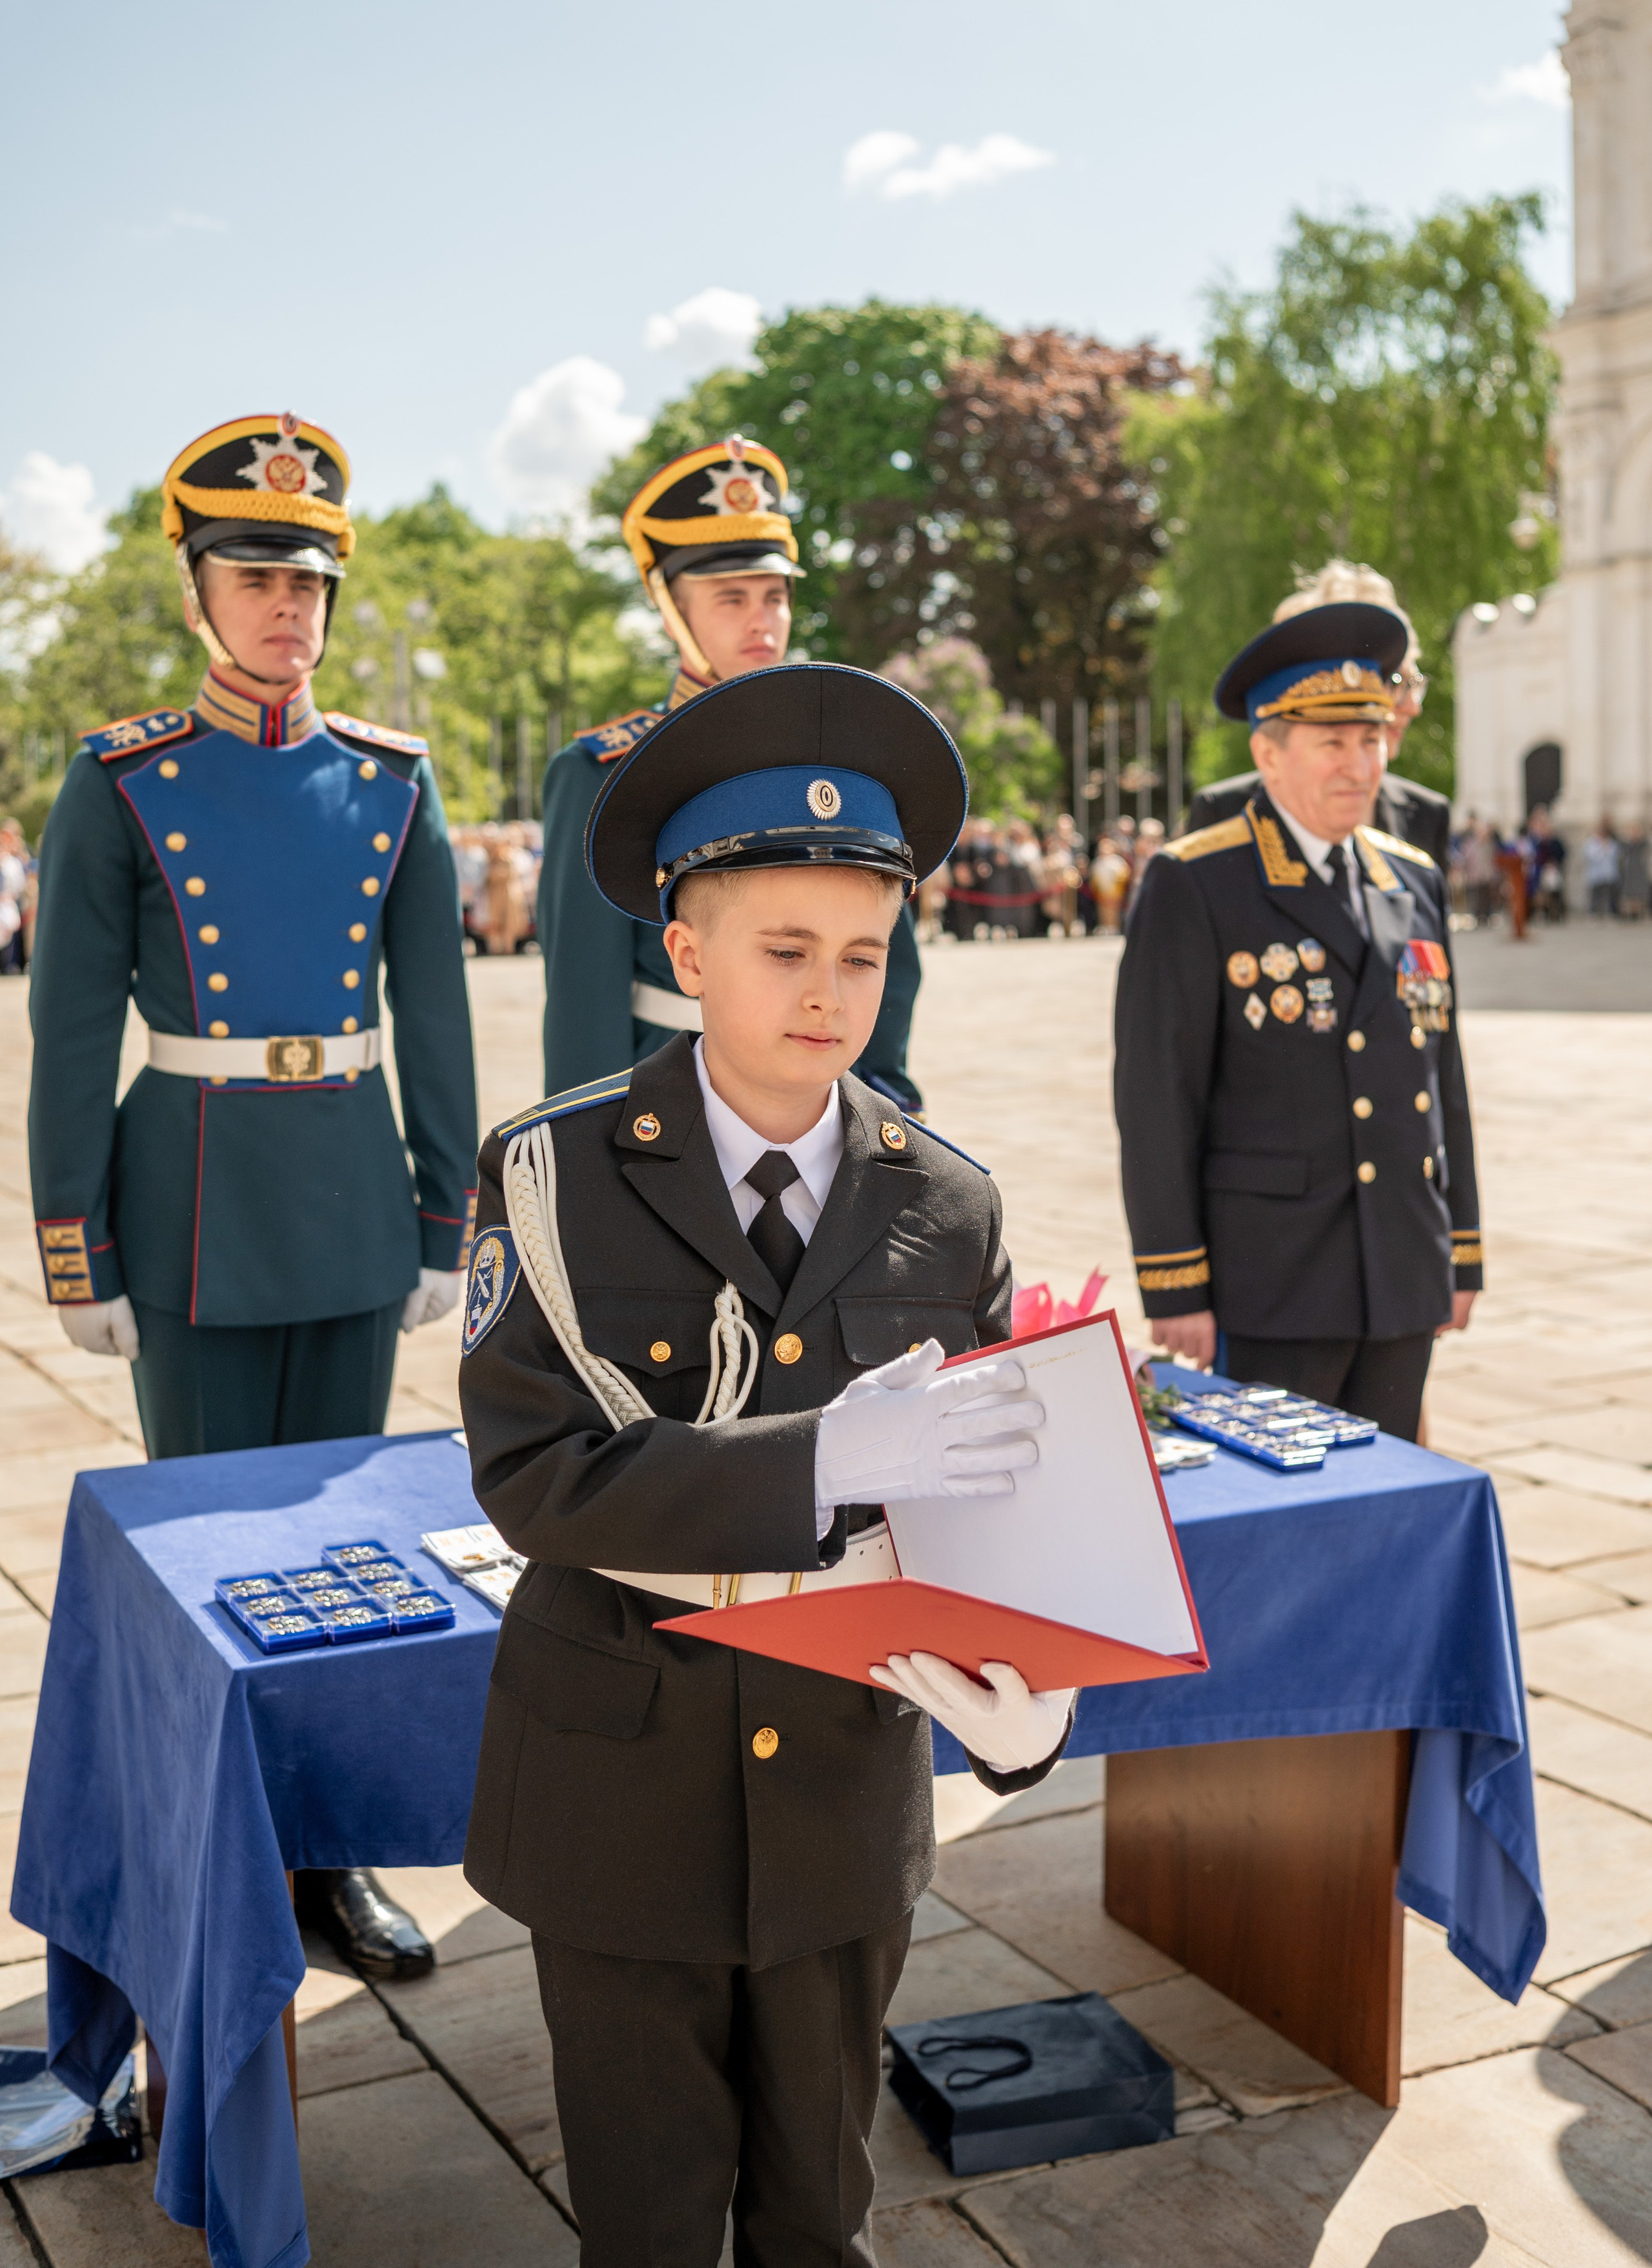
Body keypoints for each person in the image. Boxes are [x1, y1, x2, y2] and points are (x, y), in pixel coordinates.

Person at [459, 661, 1072, 2265]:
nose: (825, 990)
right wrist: (818, 1458)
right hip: (622, 1790)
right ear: (684, 951)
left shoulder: (948, 1197)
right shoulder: (554, 1172)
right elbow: (535, 1475)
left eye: (861, 954)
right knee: (649, 2222)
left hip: (839, 1802)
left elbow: (991, 1500)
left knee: (820, 2209)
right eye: (783, 949)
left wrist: (1033, 1669)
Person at [26, 413, 478, 1981]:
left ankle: (331, 1866)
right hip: (197, 1210)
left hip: (349, 1202)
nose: (287, 605)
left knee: (352, 1560)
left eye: (308, 580)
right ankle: (217, 1871)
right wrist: (74, 1250)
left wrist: (444, 1220)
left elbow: (438, 1016)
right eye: (253, 575)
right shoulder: (122, 784)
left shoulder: (391, 783)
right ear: (196, 591)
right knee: (214, 1573)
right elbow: (73, 1033)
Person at [1114, 602, 1483, 1443]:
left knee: (1388, 1520)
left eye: (1374, 738)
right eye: (1333, 743)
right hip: (1273, 1280)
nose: (1362, 766)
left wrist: (1461, 1249)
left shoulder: (1411, 878)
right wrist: (1177, 1284)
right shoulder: (1198, 881)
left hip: (1401, 1265)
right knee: (1288, 1530)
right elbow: (1157, 1096)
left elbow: (1442, 1078)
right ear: (1268, 754)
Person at [536, 437, 928, 1114]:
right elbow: (583, 998)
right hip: (669, 1108)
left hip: (822, 1107)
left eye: (774, 597)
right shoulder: (601, 772)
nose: (761, 620)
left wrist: (886, 1100)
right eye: (731, 597)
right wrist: (587, 1155)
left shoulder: (841, 767)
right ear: (671, 611)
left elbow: (886, 956)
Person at [1184, 560, 1451, 866]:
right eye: (1394, 681)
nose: (1412, 706)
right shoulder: (1224, 810)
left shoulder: (1428, 814)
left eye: (1415, 683)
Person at [1584, 818, 1620, 918]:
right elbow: (1592, 856)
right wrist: (1602, 849)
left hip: (1609, 873)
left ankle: (1610, 913)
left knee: (1609, 895)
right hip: (1596, 874)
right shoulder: (1592, 843)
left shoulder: (1611, 842)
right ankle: (1594, 913)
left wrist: (1605, 848)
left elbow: (1614, 854)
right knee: (1595, 895)